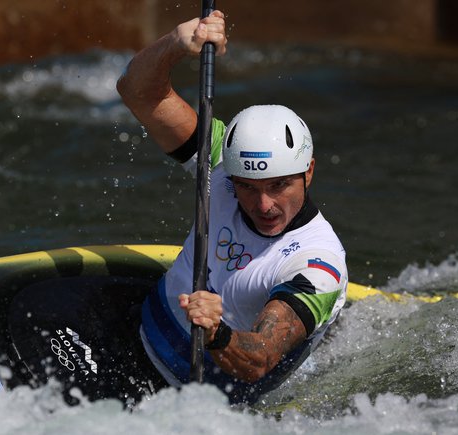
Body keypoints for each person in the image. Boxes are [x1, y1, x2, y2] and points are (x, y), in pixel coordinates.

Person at [116, 9, 348, 404]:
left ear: (308, 172)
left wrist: (215, 332)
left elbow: (260, 357)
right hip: (139, 336)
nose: (264, 204)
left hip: (195, 398)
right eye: (246, 187)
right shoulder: (221, 162)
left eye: (279, 185)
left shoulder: (318, 264)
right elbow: (138, 91)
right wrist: (176, 43)